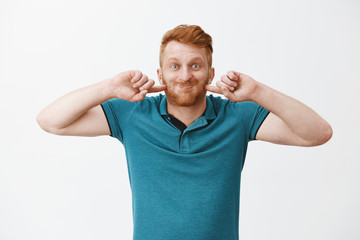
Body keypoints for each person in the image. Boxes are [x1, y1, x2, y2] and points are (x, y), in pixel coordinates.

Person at [37, 24, 332, 240]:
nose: (185, 75)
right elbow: (51, 121)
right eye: (175, 66)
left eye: (195, 65)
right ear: (160, 74)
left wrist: (257, 91)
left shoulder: (237, 116)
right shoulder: (132, 114)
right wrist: (109, 88)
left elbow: (317, 133)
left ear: (210, 73)